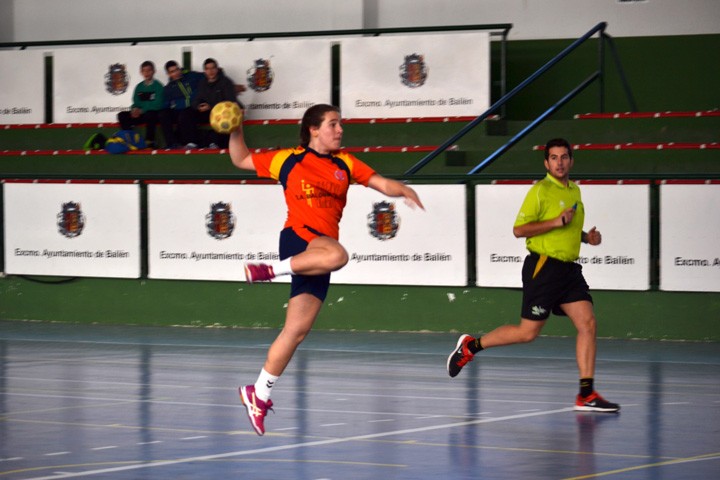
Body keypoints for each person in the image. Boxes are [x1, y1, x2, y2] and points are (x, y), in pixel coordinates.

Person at [229, 104, 425, 435]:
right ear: (313, 129)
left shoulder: (345, 163)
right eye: (333, 124)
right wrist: (235, 130)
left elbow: (379, 182)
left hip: (318, 250)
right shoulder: (288, 159)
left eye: (340, 124)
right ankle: (269, 271)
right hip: (299, 239)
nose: (339, 130)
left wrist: (403, 188)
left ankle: (258, 392)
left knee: (296, 331)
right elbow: (241, 159)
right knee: (339, 255)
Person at [446, 138, 620, 413]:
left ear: (571, 161)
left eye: (564, 157)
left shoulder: (575, 191)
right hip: (544, 267)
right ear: (546, 163)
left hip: (570, 270)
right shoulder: (540, 191)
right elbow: (519, 230)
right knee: (528, 333)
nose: (560, 162)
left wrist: (587, 237)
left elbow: (568, 229)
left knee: (587, 323)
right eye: (554, 157)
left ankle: (586, 394)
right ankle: (471, 346)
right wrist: (554, 221)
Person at [191, 58, 243, 149]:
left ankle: (214, 144)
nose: (210, 71)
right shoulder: (202, 83)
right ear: (205, 71)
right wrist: (198, 106)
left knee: (222, 117)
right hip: (207, 112)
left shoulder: (226, 82)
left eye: (213, 68)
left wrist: (211, 106)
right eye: (207, 69)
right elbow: (196, 99)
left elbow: (229, 102)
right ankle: (191, 142)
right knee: (187, 113)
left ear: (217, 69)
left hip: (222, 113)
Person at [117, 61, 164, 148]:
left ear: (153, 71)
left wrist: (142, 110)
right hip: (141, 115)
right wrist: (134, 110)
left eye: (149, 70)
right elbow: (136, 103)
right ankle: (128, 139)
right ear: (141, 72)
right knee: (122, 115)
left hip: (152, 116)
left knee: (151, 114)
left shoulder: (159, 86)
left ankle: (150, 141)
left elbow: (158, 104)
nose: (147, 73)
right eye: (144, 71)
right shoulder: (139, 87)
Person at [159, 60, 203, 149]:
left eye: (177, 70)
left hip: (193, 107)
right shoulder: (168, 88)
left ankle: (191, 142)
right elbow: (166, 104)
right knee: (163, 114)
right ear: (168, 74)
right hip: (178, 111)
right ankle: (172, 143)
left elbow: (208, 76)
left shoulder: (192, 76)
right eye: (172, 72)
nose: (176, 73)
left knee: (186, 113)